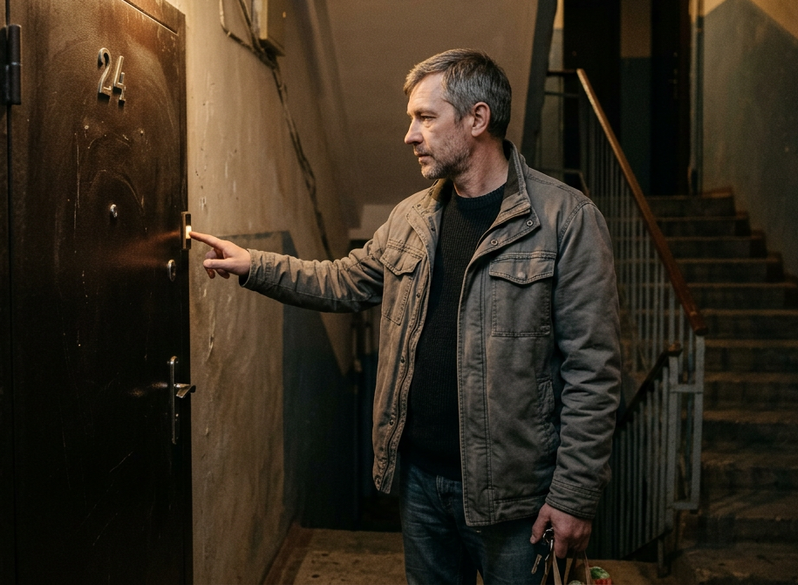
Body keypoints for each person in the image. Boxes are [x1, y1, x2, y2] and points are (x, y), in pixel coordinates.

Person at [191, 49, 620, 585]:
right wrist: (255, 264)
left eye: (425, 118)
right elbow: (345, 280)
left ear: (477, 119)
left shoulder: (565, 220)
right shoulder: (412, 217)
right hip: (421, 485)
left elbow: (593, 371)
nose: (409, 135)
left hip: (517, 502)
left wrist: (574, 496)